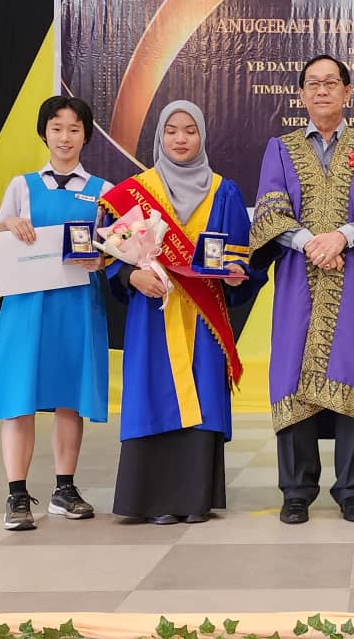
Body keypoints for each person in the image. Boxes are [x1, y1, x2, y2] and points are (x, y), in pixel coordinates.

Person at [249, 55, 354, 525]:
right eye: (312, 83)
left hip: (353, 279)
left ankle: (352, 491)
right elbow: (270, 210)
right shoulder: (281, 148)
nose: (322, 91)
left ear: (348, 91)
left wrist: (341, 238)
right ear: (301, 94)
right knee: (292, 375)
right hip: (297, 277)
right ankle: (296, 491)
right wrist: (311, 243)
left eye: (331, 82)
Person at [103, 100, 262, 525]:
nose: (180, 139)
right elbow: (113, 260)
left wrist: (237, 274)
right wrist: (132, 276)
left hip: (203, 318)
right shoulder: (135, 191)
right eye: (171, 130)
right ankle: (150, 500)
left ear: (202, 136)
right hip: (152, 316)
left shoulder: (224, 191)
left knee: (202, 395)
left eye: (190, 131)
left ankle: (194, 500)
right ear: (159, 135)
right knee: (153, 393)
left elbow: (242, 257)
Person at [0, 95, 111, 531]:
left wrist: (102, 259)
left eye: (74, 129)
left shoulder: (104, 191)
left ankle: (64, 489)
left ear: (86, 136)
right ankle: (16, 494)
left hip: (76, 305)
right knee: (18, 397)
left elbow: (115, 248)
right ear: (44, 132)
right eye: (57, 128)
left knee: (69, 398)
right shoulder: (21, 186)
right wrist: (9, 225)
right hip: (27, 305)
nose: (65, 137)